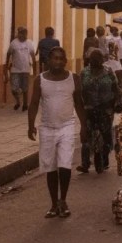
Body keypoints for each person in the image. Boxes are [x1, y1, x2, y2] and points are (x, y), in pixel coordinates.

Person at [27, 46, 87, 219]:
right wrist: (31, 125)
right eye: (55, 58)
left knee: (65, 164)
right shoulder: (40, 80)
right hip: (47, 128)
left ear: (65, 61)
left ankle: (63, 200)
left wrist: (84, 126)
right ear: (48, 60)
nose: (58, 61)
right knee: (51, 167)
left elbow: (79, 104)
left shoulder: (73, 79)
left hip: (67, 126)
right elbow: (33, 104)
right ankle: (54, 203)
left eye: (61, 58)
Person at [77, 48, 122, 174]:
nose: (96, 61)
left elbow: (116, 87)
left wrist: (118, 99)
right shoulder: (84, 73)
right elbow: (79, 91)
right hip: (89, 108)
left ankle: (105, 159)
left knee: (106, 134)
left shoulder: (108, 71)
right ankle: (85, 163)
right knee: (87, 136)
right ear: (89, 60)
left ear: (103, 60)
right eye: (93, 58)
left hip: (106, 108)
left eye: (99, 58)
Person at [6, 26, 37, 111]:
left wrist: (34, 70)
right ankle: (18, 101)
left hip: (26, 69)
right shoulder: (13, 43)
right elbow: (8, 54)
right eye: (20, 33)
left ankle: (25, 104)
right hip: (15, 69)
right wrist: (6, 69)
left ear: (26, 34)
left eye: (23, 33)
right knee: (14, 89)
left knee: (25, 88)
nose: (22, 35)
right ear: (18, 34)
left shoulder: (29, 43)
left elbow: (33, 57)